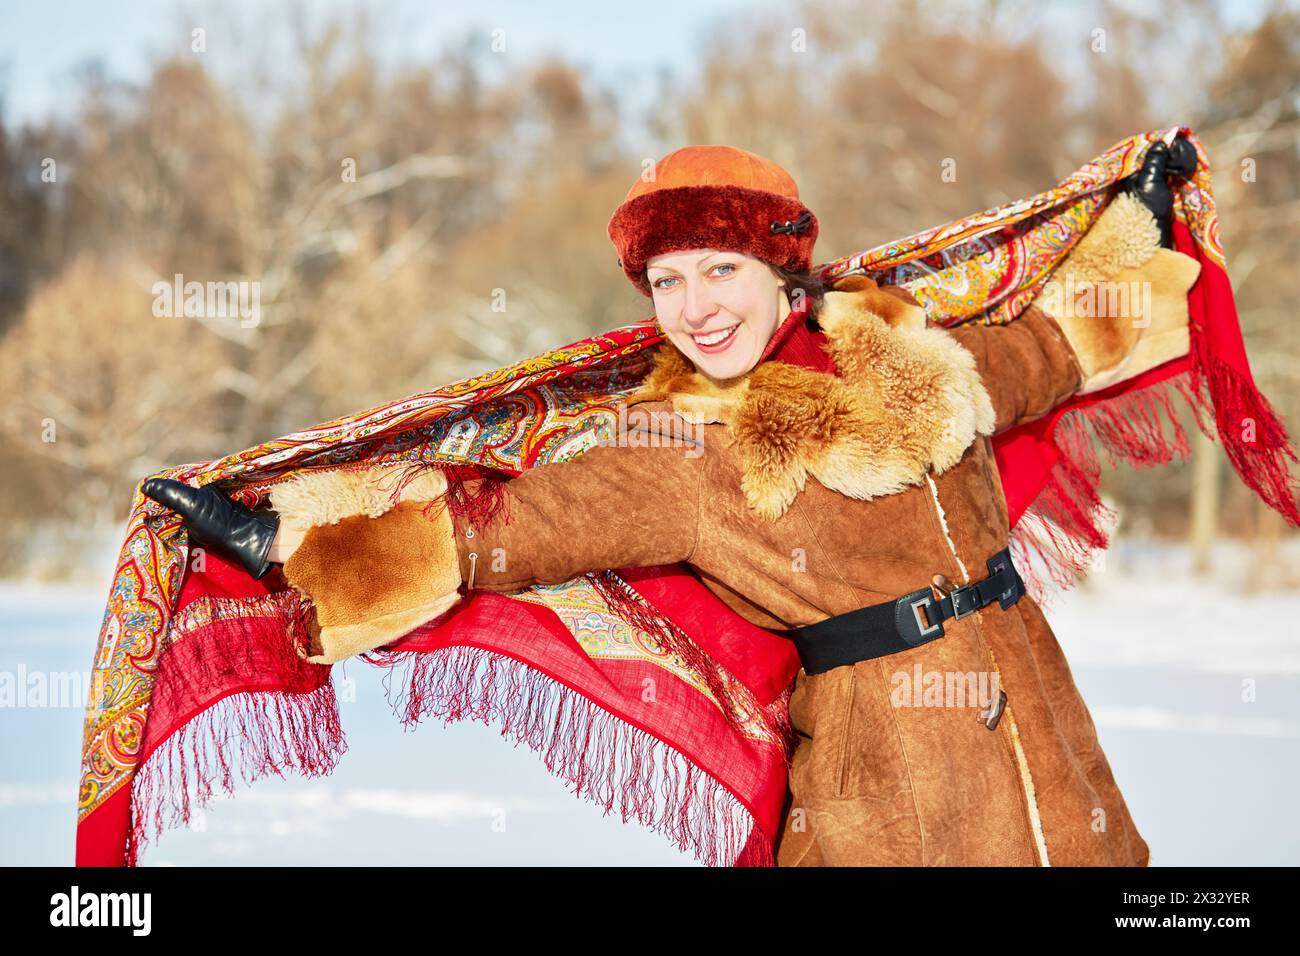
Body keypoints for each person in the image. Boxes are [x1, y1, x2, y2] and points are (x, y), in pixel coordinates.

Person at [143, 138, 1202, 865]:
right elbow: (503, 532)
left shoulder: (909, 347)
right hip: (887, 787)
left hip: (1048, 732)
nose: (693, 308)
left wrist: (1136, 227)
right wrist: (291, 539)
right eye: (666, 282)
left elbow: (1052, 350)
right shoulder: (678, 442)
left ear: (781, 267)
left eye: (718, 269)